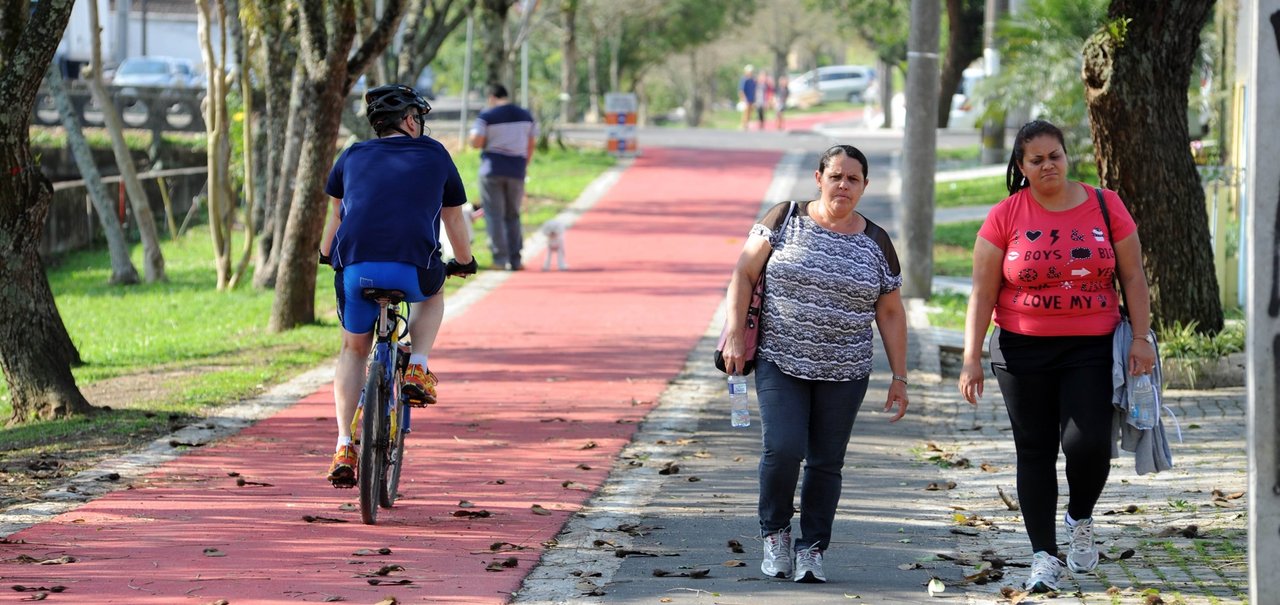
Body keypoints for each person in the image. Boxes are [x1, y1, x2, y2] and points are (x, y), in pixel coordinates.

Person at [956, 120, 1156, 593]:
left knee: (1087, 444)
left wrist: (1142, 338)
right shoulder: (1005, 215)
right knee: (1036, 450)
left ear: (1067, 157)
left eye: (1055, 156)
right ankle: (1044, 555)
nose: (1048, 165)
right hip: (1020, 349)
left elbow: (1134, 278)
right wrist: (970, 357)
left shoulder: (1106, 205)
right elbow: (981, 294)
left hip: (1090, 346)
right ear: (1022, 167)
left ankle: (1080, 517)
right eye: (1037, 159)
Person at [720, 144, 910, 584]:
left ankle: (813, 548)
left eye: (853, 179)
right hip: (780, 360)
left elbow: (891, 312)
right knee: (783, 449)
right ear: (819, 177)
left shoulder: (877, 242)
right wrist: (734, 332)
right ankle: (775, 533)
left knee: (826, 462)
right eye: (836, 176)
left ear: (864, 186)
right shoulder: (784, 219)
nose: (843, 185)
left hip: (846, 372)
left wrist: (899, 376)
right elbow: (744, 274)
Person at [318, 83, 477, 487]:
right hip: (411, 265)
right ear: (410, 120)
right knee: (434, 292)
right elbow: (453, 219)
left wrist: (324, 253)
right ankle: (418, 367)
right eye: (418, 119)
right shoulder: (435, 154)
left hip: (356, 268)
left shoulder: (352, 155)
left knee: (353, 349)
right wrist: (463, 261)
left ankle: (342, 444)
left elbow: (336, 216)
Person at [469, 83, 538, 271]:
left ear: (491, 97)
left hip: (492, 170)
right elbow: (531, 144)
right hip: (516, 170)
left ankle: (499, 260)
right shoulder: (526, 115)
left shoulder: (487, 116)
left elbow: (476, 141)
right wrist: (524, 165)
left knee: (494, 215)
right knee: (513, 214)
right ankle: (516, 260)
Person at [738, 65, 758, 131]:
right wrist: (743, 98)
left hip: (751, 98)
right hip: (746, 98)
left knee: (750, 112)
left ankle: (747, 124)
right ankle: (743, 124)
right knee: (745, 112)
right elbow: (741, 90)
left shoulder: (753, 80)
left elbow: (755, 90)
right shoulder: (744, 79)